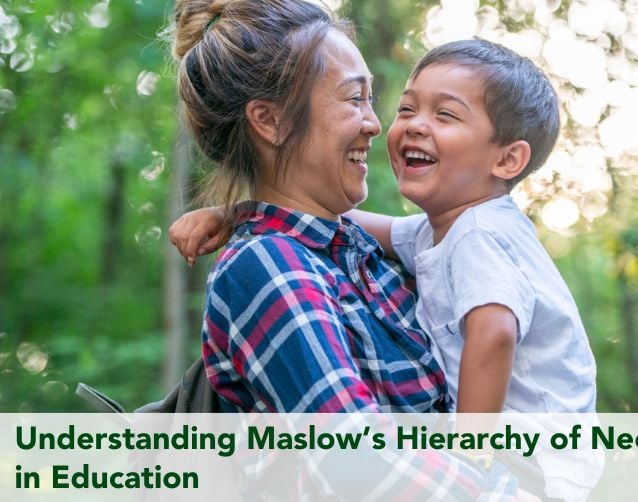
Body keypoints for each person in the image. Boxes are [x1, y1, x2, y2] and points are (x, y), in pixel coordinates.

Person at [168, 0, 521, 498]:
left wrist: (233, 214)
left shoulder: (359, 253)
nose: (375, 124)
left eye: (372, 100)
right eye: (354, 99)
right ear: (271, 121)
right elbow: (362, 466)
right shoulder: (267, 265)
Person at [172, 38, 597, 414]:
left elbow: (495, 332)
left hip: (532, 457)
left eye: (446, 115)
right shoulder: (437, 233)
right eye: (407, 108)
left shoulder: (479, 234)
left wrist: (472, 453)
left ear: (507, 160)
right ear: (270, 121)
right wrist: (235, 214)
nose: (405, 124)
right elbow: (342, 223)